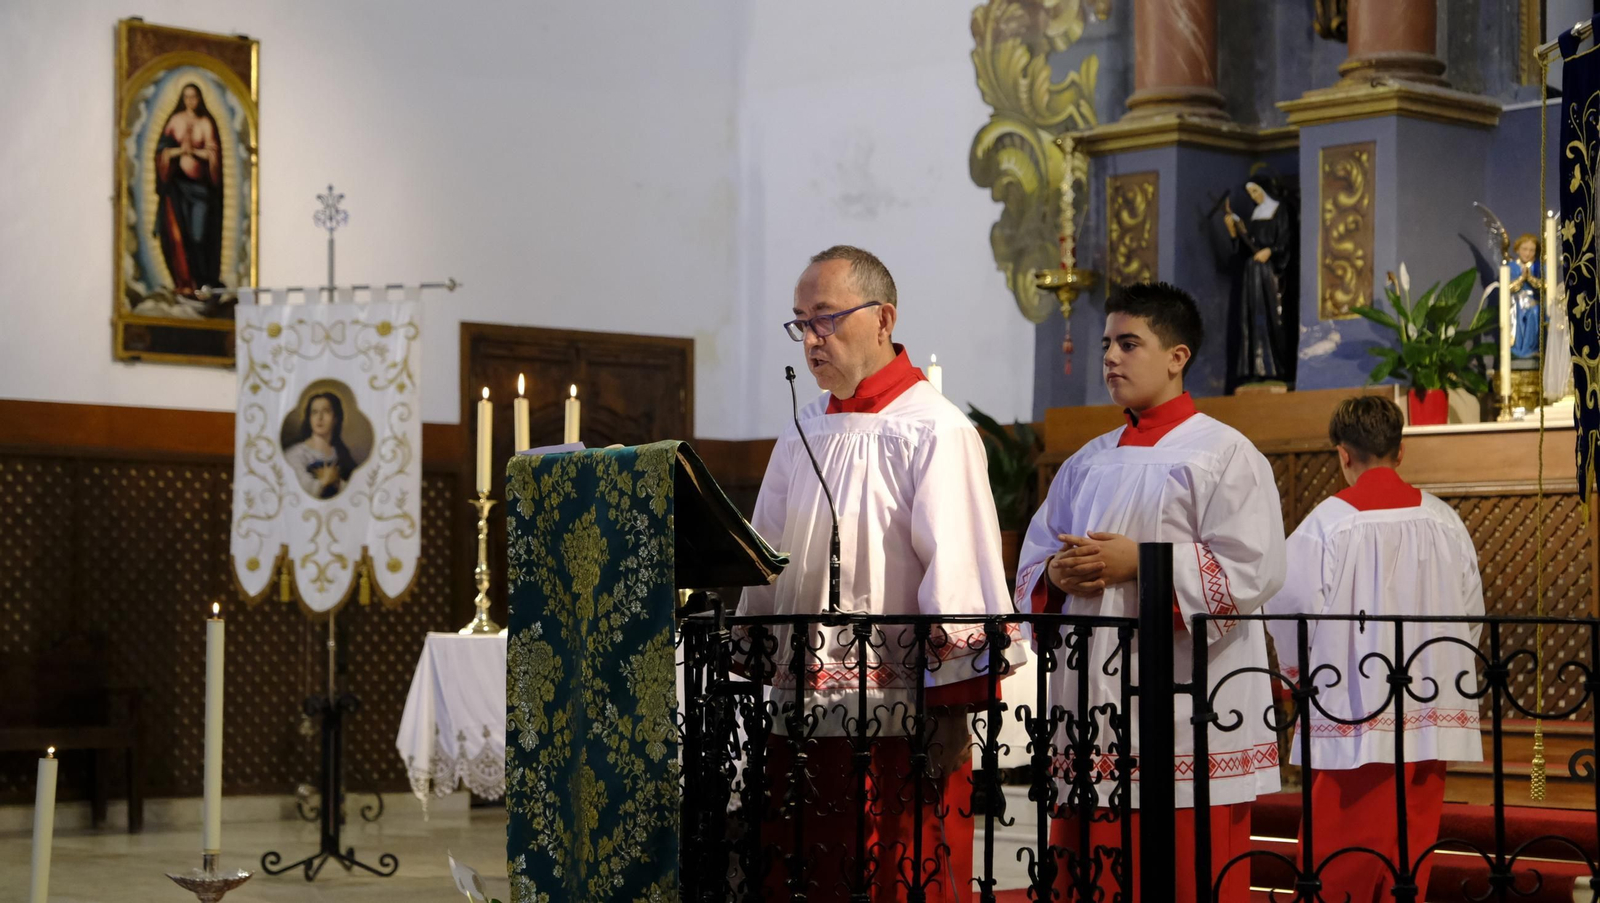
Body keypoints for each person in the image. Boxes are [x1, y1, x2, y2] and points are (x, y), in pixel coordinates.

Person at [736, 245, 1024, 902]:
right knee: (806, 870)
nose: (812, 338)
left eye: (826, 318)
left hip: (900, 717)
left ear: (883, 318)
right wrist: (761, 653)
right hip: (803, 706)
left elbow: (958, 569)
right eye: (801, 323)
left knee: (895, 874)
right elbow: (766, 551)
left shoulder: (934, 428)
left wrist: (951, 708)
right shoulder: (804, 428)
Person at [1015, 281, 1286, 902]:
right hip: (1094, 703)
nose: (1110, 357)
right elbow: (1036, 557)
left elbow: (1254, 567)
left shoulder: (1225, 453)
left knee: (1185, 874)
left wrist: (1142, 562)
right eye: (1106, 344)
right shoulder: (1086, 461)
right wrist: (1055, 576)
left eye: (1129, 344)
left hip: (1188, 701)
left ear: (1176, 356)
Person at [1264, 396, 1483, 903]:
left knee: (1341, 853)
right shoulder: (1444, 520)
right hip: (1427, 708)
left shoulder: (1327, 523)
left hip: (1354, 708)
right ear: (1399, 451)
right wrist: (1442, 672)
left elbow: (1287, 605)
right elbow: (1471, 612)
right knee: (1412, 846)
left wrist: (1300, 676)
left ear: (1343, 455)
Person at [1221, 180, 1297, 390]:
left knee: (1274, 318)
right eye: (1251, 193)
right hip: (1252, 273)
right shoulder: (1254, 215)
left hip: (1270, 273)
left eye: (1256, 191)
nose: (1254, 196)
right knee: (1252, 319)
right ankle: (1255, 369)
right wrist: (1234, 232)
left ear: (1265, 189)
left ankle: (1277, 369)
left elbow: (1286, 240)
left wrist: (1270, 251)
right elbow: (1243, 249)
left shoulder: (1280, 211)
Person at [156, 82, 224, 297]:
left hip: (200, 190)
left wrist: (194, 151)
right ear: (182, 99)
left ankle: (202, 282)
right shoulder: (175, 121)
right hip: (178, 188)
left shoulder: (205, 123)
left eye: (194, 96)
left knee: (198, 236)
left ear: (199, 98)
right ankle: (186, 283)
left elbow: (213, 155)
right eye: (186, 97)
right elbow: (163, 152)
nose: (190, 101)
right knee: (181, 236)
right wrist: (179, 151)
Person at [284, 392, 358, 499]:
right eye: (314, 412)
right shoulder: (295, 454)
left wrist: (337, 482)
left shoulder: (341, 453)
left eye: (326, 411)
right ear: (309, 418)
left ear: (335, 418)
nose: (319, 417)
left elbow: (356, 491)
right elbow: (297, 492)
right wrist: (324, 481)